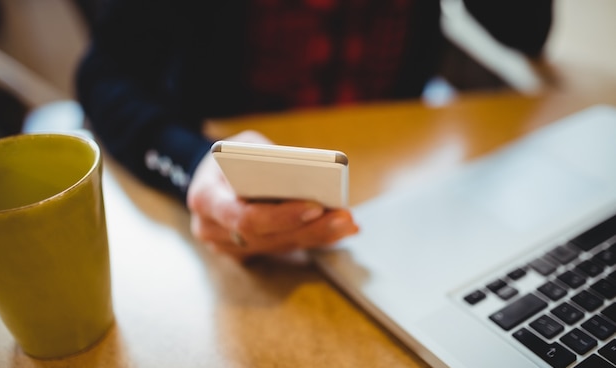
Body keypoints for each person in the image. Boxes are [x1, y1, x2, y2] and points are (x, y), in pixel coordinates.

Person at [76, 0, 553, 260]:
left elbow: (526, 29)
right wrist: (195, 162)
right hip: (229, 181)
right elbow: (105, 73)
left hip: (393, 187)